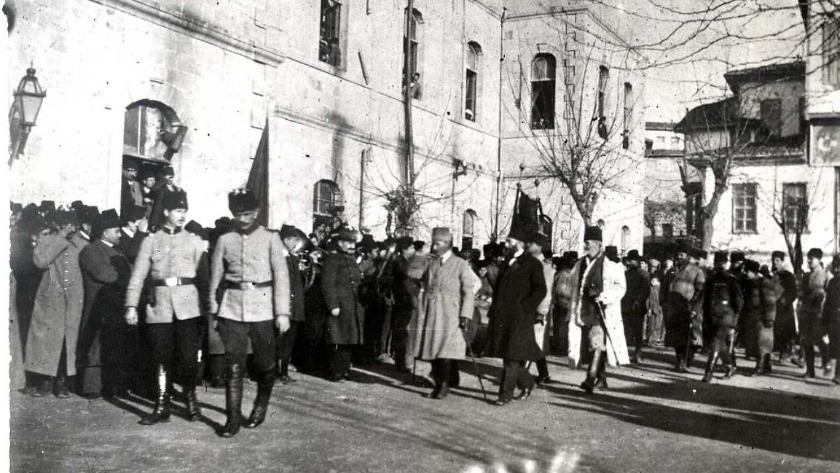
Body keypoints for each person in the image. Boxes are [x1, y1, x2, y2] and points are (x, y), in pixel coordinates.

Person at [208, 189, 292, 437]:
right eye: (237, 214)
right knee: (233, 366)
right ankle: (232, 419)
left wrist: (282, 313)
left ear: (255, 212)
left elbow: (282, 276)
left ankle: (260, 406)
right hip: (232, 307)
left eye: (246, 214)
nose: (242, 219)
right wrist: (213, 307)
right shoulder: (225, 240)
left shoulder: (270, 238)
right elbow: (216, 276)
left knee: (265, 364)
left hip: (264, 308)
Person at [124, 190, 205, 425]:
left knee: (189, 358)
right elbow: (138, 276)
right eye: (178, 211)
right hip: (159, 307)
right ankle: (162, 405)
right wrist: (131, 306)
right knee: (161, 357)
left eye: (184, 211)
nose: (182, 215)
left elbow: (204, 276)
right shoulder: (151, 241)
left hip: (189, 308)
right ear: (167, 212)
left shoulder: (194, 240)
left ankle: (190, 399)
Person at [25, 209, 88, 398]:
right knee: (47, 340)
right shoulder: (48, 241)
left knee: (67, 342)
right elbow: (40, 262)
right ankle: (46, 381)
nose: (71, 229)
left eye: (73, 226)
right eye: (67, 226)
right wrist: (60, 238)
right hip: (51, 299)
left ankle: (61, 382)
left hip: (72, 301)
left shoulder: (82, 244)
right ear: (59, 226)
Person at [485, 225, 547, 405]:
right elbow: (498, 289)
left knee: (512, 357)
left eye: (509, 240)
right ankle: (528, 383)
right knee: (509, 355)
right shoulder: (507, 262)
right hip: (503, 317)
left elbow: (540, 289)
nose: (506, 243)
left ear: (519, 242)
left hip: (520, 317)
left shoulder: (532, 263)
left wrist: (526, 307)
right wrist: (494, 308)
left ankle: (505, 395)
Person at [77, 209, 134, 399]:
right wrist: (131, 278)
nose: (120, 234)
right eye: (116, 231)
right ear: (104, 232)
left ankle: (114, 385)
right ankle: (92, 386)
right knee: (95, 346)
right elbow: (106, 275)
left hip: (116, 305)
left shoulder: (117, 250)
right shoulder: (90, 250)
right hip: (98, 306)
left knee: (116, 346)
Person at [414, 227, 476, 400]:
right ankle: (449, 379)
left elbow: (468, 292)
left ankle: (443, 385)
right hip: (432, 312)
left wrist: (466, 315)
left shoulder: (460, 264)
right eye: (433, 243)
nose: (434, 247)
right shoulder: (431, 262)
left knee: (445, 350)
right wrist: (420, 256)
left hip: (451, 313)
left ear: (448, 244)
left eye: (437, 244)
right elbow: (413, 273)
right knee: (434, 348)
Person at [567, 226, 628, 394]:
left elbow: (621, 287)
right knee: (593, 346)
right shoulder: (580, 264)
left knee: (596, 345)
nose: (585, 245)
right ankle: (602, 379)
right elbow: (572, 285)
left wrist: (603, 295)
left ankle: (590, 378)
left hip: (601, 312)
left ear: (598, 244)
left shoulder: (611, 265)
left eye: (588, 243)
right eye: (585, 242)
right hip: (583, 311)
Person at [321, 227, 365, 382]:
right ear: (340, 243)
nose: (352, 245)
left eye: (353, 242)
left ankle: (344, 369)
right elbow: (328, 284)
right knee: (337, 339)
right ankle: (335, 371)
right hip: (340, 305)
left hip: (352, 305)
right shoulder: (333, 259)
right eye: (348, 242)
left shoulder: (352, 259)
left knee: (348, 339)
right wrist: (333, 305)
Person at [662, 242, 705, 373]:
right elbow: (664, 288)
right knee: (676, 337)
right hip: (673, 309)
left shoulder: (696, 271)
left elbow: (700, 292)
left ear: (688, 256)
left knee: (690, 337)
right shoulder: (671, 271)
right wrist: (663, 303)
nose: (679, 256)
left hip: (688, 308)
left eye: (682, 254)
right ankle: (680, 360)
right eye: (678, 254)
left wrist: (694, 308)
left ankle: (686, 360)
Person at [701, 252, 744, 382]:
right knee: (720, 343)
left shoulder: (732, 280)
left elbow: (739, 301)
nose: (720, 266)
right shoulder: (710, 279)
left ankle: (709, 372)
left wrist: (735, 319)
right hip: (711, 315)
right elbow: (705, 298)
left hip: (726, 315)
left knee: (716, 342)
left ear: (726, 264)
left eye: (722, 263)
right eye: (717, 263)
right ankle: (730, 366)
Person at [277, 224, 309, 383]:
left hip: (295, 306)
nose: (295, 243)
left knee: (289, 342)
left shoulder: (292, 257)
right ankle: (276, 372)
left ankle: (283, 372)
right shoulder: (278, 256)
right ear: (285, 239)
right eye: (293, 240)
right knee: (279, 342)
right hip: (284, 306)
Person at [391, 236, 419, 373]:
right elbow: (406, 275)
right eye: (412, 248)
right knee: (401, 331)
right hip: (402, 300)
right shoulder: (399, 262)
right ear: (404, 249)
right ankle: (399, 362)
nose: (414, 250)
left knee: (404, 331)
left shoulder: (405, 261)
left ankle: (401, 360)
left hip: (407, 300)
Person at [529, 234, 555, 385]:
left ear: (538, 247)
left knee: (534, 342)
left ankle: (524, 376)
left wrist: (541, 312)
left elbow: (546, 293)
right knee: (534, 342)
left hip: (537, 311)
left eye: (530, 243)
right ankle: (543, 374)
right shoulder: (531, 263)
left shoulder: (545, 267)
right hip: (530, 309)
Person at [799, 248, 829, 379]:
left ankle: (827, 361)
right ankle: (810, 370)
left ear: (819, 259)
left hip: (818, 313)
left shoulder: (826, 275)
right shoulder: (806, 275)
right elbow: (800, 292)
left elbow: (829, 294)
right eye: (808, 257)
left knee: (819, 339)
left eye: (812, 258)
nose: (809, 260)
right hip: (806, 312)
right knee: (807, 342)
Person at [750, 261, 782, 376]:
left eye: (748, 271)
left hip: (764, 318)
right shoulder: (756, 282)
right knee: (762, 342)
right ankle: (767, 365)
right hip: (758, 316)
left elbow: (770, 301)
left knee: (762, 343)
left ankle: (760, 367)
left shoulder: (764, 283)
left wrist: (769, 318)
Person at [622, 250, 650, 363]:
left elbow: (645, 290)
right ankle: (624, 354)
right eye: (628, 260)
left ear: (637, 261)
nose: (629, 262)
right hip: (626, 305)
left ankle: (637, 354)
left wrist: (638, 301)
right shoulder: (626, 274)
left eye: (632, 260)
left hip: (638, 307)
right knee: (625, 330)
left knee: (638, 331)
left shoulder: (644, 274)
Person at [771, 251, 799, 364]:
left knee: (786, 332)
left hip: (784, 309)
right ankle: (781, 354)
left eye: (777, 260)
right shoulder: (772, 274)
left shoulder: (788, 275)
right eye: (773, 260)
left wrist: (783, 301)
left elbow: (793, 292)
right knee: (776, 331)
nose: (775, 262)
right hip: (773, 308)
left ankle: (789, 355)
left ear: (782, 261)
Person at [822, 256, 840, 385]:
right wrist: (824, 320)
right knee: (836, 346)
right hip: (834, 319)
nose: (837, 268)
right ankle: (836, 373)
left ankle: (838, 375)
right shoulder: (833, 281)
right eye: (835, 265)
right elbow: (828, 302)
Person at [148, 166, 184, 231]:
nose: (171, 179)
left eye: (172, 177)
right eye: (169, 177)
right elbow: (157, 207)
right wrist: (154, 223)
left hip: (173, 219)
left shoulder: (177, 190)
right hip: (161, 220)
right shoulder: (161, 189)